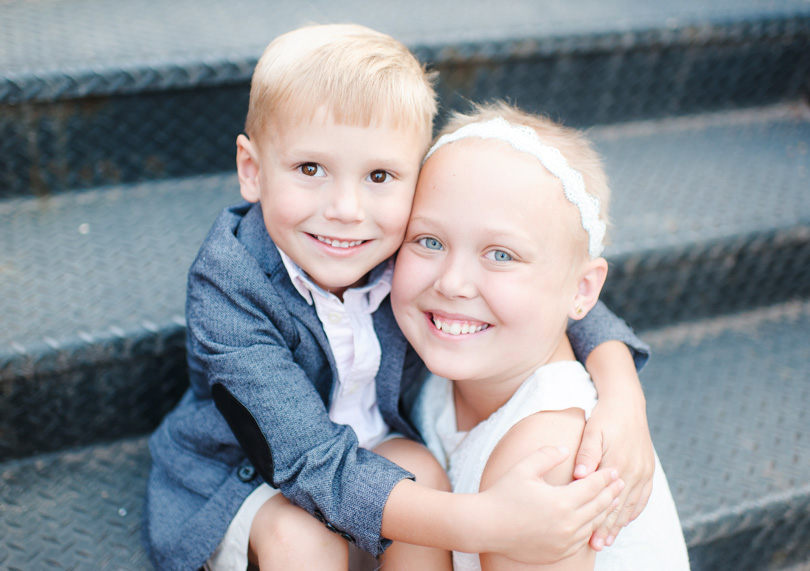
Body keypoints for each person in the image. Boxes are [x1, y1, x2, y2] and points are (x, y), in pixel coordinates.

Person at [143, 24, 654, 571]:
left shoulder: (398, 239)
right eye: (310, 169)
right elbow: (307, 461)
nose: (346, 207)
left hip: (371, 440)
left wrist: (624, 395)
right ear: (253, 170)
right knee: (304, 541)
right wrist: (491, 521)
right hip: (247, 471)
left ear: (415, 182)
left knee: (424, 479)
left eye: (380, 175)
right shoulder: (230, 287)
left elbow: (552, 294)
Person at [390, 101, 691, 570]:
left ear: (582, 290)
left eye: (501, 255)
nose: (451, 282)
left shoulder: (553, 454)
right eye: (430, 241)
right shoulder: (443, 363)